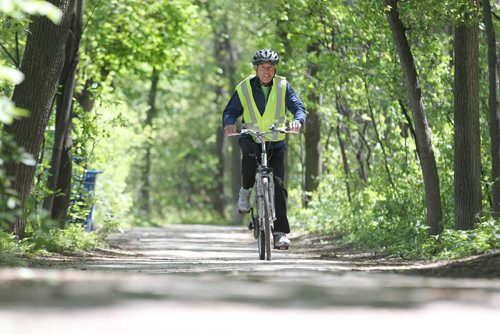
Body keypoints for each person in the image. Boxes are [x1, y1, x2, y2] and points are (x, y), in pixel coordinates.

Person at [222, 48, 307, 250]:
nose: (266, 72)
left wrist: (297, 121)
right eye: (262, 68)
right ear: (256, 69)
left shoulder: (283, 86)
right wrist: (229, 123)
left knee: (278, 186)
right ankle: (246, 190)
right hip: (251, 137)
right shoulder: (244, 88)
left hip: (275, 139)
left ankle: (279, 233)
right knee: (249, 162)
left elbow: (298, 107)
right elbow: (230, 111)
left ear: (274, 69)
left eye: (270, 68)